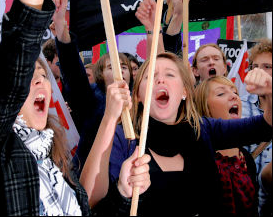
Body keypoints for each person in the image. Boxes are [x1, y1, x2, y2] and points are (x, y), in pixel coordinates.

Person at [0, 0, 151, 216]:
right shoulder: (6, 155)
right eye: (31, 77)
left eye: (43, 78)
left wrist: (123, 192)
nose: (41, 84)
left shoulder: (55, 165)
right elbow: (13, 73)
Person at [109, 51, 272, 216]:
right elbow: (100, 207)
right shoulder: (124, 138)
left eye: (170, 74)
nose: (160, 79)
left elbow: (264, 127)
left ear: (184, 92)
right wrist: (122, 193)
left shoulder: (203, 129)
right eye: (150, 76)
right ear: (137, 95)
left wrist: (270, 91)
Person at [51, 0, 134, 171]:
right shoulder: (91, 100)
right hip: (94, 177)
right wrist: (61, 28)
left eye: (124, 67)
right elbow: (73, 72)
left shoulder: (141, 101)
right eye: (112, 67)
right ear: (100, 75)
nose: (120, 71)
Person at [194, 75, 260, 216]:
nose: (233, 97)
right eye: (221, 93)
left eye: (235, 92)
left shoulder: (246, 158)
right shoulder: (198, 157)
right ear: (204, 106)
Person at [241, 38, 272, 216]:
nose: (260, 72)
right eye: (255, 67)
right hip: (247, 205)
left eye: (267, 66)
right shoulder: (238, 105)